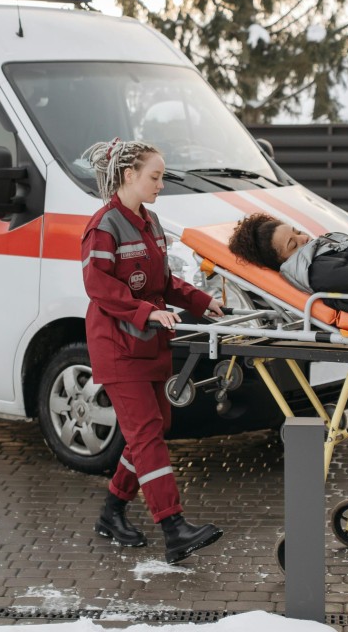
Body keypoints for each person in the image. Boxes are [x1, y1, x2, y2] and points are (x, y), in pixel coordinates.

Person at [80, 137, 227, 564]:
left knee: (152, 428)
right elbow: (99, 286)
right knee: (146, 435)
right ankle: (173, 526)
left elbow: (163, 281)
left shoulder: (151, 222)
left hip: (147, 344)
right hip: (118, 347)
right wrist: (145, 312)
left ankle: (112, 511)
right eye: (155, 176)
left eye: (161, 177)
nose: (161, 184)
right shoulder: (103, 226)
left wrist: (202, 301)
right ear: (129, 175)